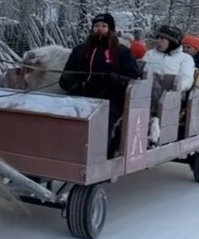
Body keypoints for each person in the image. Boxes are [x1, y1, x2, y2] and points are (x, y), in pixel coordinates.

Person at [59, 12, 140, 153]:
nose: (100, 28)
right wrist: (68, 82)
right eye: (96, 25)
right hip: (81, 93)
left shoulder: (121, 52)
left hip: (109, 97)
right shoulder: (80, 50)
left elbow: (132, 77)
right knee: (59, 111)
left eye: (104, 26)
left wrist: (114, 78)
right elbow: (68, 73)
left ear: (111, 29)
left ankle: (101, 156)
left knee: (102, 119)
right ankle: (60, 150)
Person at [143, 25, 196, 93]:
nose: (158, 41)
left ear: (172, 42)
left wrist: (175, 87)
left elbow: (186, 79)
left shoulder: (185, 58)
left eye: (162, 39)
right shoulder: (150, 54)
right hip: (147, 90)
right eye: (157, 38)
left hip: (172, 93)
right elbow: (142, 72)